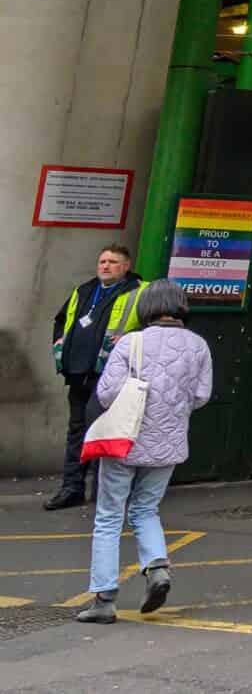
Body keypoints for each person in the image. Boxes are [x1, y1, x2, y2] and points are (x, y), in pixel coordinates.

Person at [73, 281, 212, 624]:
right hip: (169, 444)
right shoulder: (199, 346)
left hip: (124, 442)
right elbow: (202, 395)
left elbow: (105, 395)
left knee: (108, 516)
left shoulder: (130, 343)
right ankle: (157, 568)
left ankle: (105, 599)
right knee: (146, 509)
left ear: (146, 307)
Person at [46, 244, 145, 512]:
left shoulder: (140, 292)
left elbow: (153, 328)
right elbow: (61, 319)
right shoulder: (84, 290)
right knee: (77, 431)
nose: (105, 266)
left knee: (106, 432)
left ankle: (105, 492)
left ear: (126, 266)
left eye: (113, 262)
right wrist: (60, 343)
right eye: (102, 261)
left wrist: (131, 339)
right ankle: (72, 488)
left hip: (112, 376)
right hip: (79, 372)